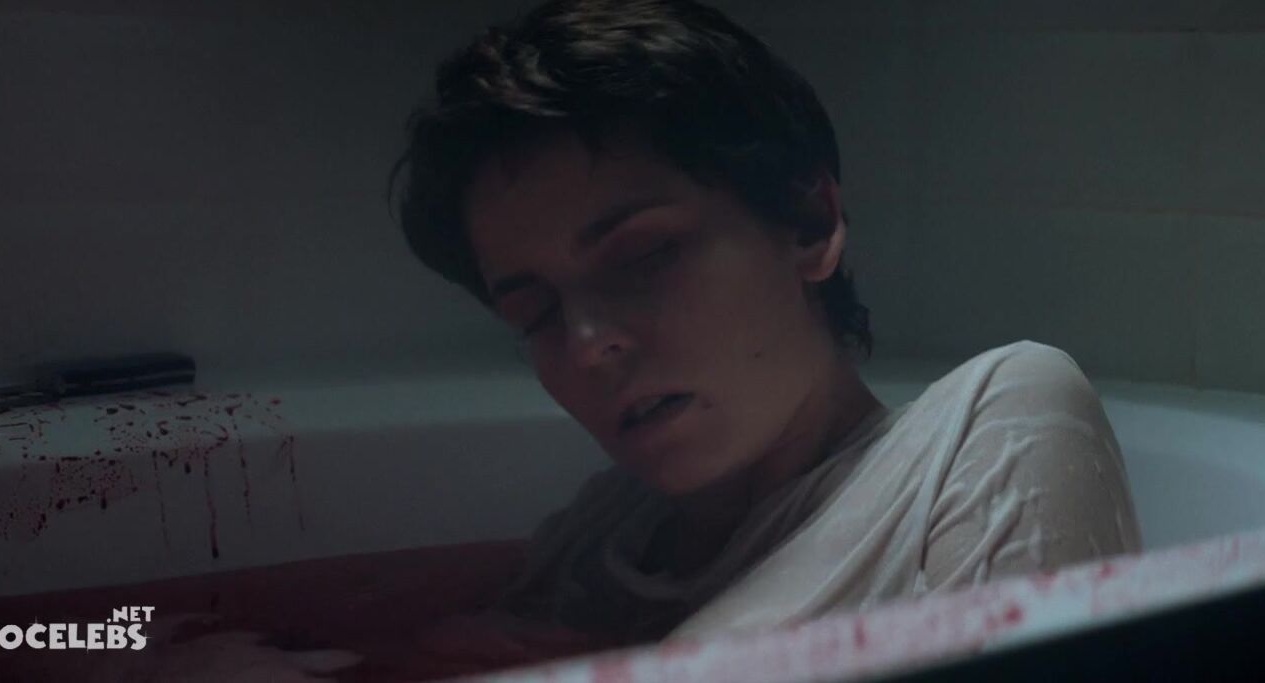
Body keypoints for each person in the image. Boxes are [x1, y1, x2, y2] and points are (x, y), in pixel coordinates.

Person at [392, 0, 1142, 662]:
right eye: (536, 313)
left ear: (808, 223)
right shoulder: (600, 537)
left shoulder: (981, 429)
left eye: (643, 257)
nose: (588, 345)